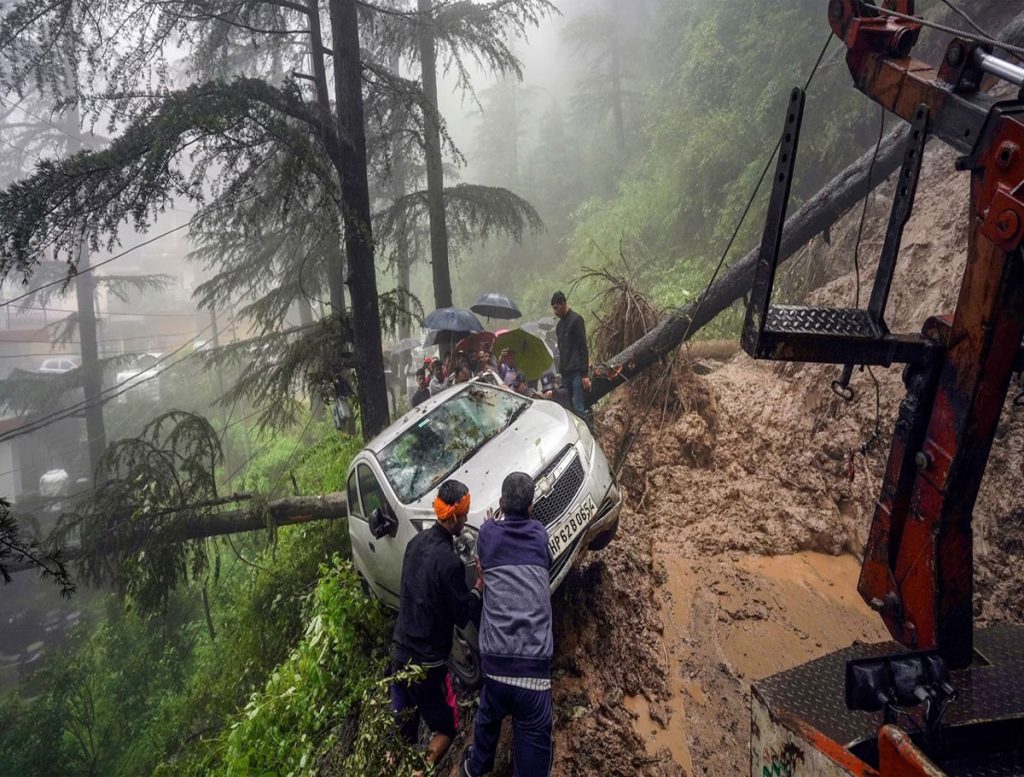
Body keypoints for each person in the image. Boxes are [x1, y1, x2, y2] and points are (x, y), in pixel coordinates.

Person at [463, 473, 553, 777]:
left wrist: (493, 522)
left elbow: (483, 557)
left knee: (488, 715)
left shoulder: (487, 534)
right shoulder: (540, 535)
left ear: (501, 503)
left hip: (496, 668)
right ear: (531, 507)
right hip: (535, 676)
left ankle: (476, 767)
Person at [391, 480, 483, 773]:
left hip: (400, 653)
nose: (467, 519)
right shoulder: (449, 563)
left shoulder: (414, 544)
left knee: (402, 735)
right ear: (454, 517)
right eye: (465, 514)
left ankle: (398, 767)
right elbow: (462, 614)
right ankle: (420, 771)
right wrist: (478, 587)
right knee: (447, 727)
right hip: (427, 664)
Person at [551, 290, 590, 420]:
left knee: (579, 408)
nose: (555, 312)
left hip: (577, 372)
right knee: (568, 410)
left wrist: (585, 374)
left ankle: (588, 437)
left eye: (556, 308)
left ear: (563, 303)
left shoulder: (576, 320)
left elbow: (583, 346)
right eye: (553, 309)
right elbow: (561, 351)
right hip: (565, 373)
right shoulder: (559, 326)